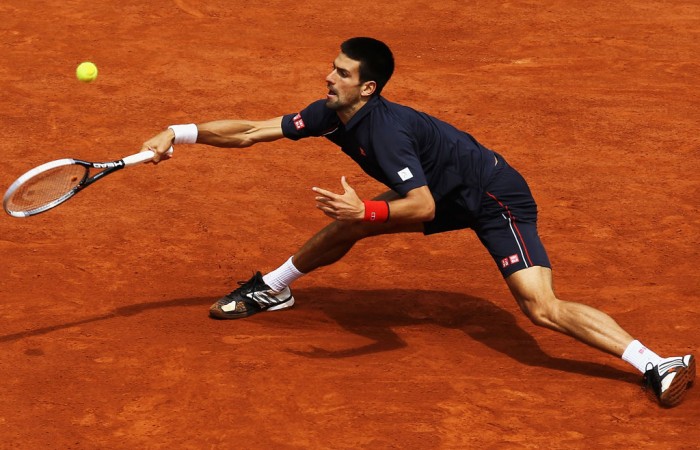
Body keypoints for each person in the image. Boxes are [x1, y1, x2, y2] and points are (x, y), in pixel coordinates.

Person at [141, 37, 695, 407]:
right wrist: (180, 131)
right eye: (332, 67)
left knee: (540, 308)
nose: (326, 77)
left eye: (341, 72)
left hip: (492, 196)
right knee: (349, 225)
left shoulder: (385, 132)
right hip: (438, 189)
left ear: (368, 88)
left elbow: (423, 207)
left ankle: (656, 363)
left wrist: (370, 210)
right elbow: (251, 131)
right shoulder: (330, 112)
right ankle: (274, 289)